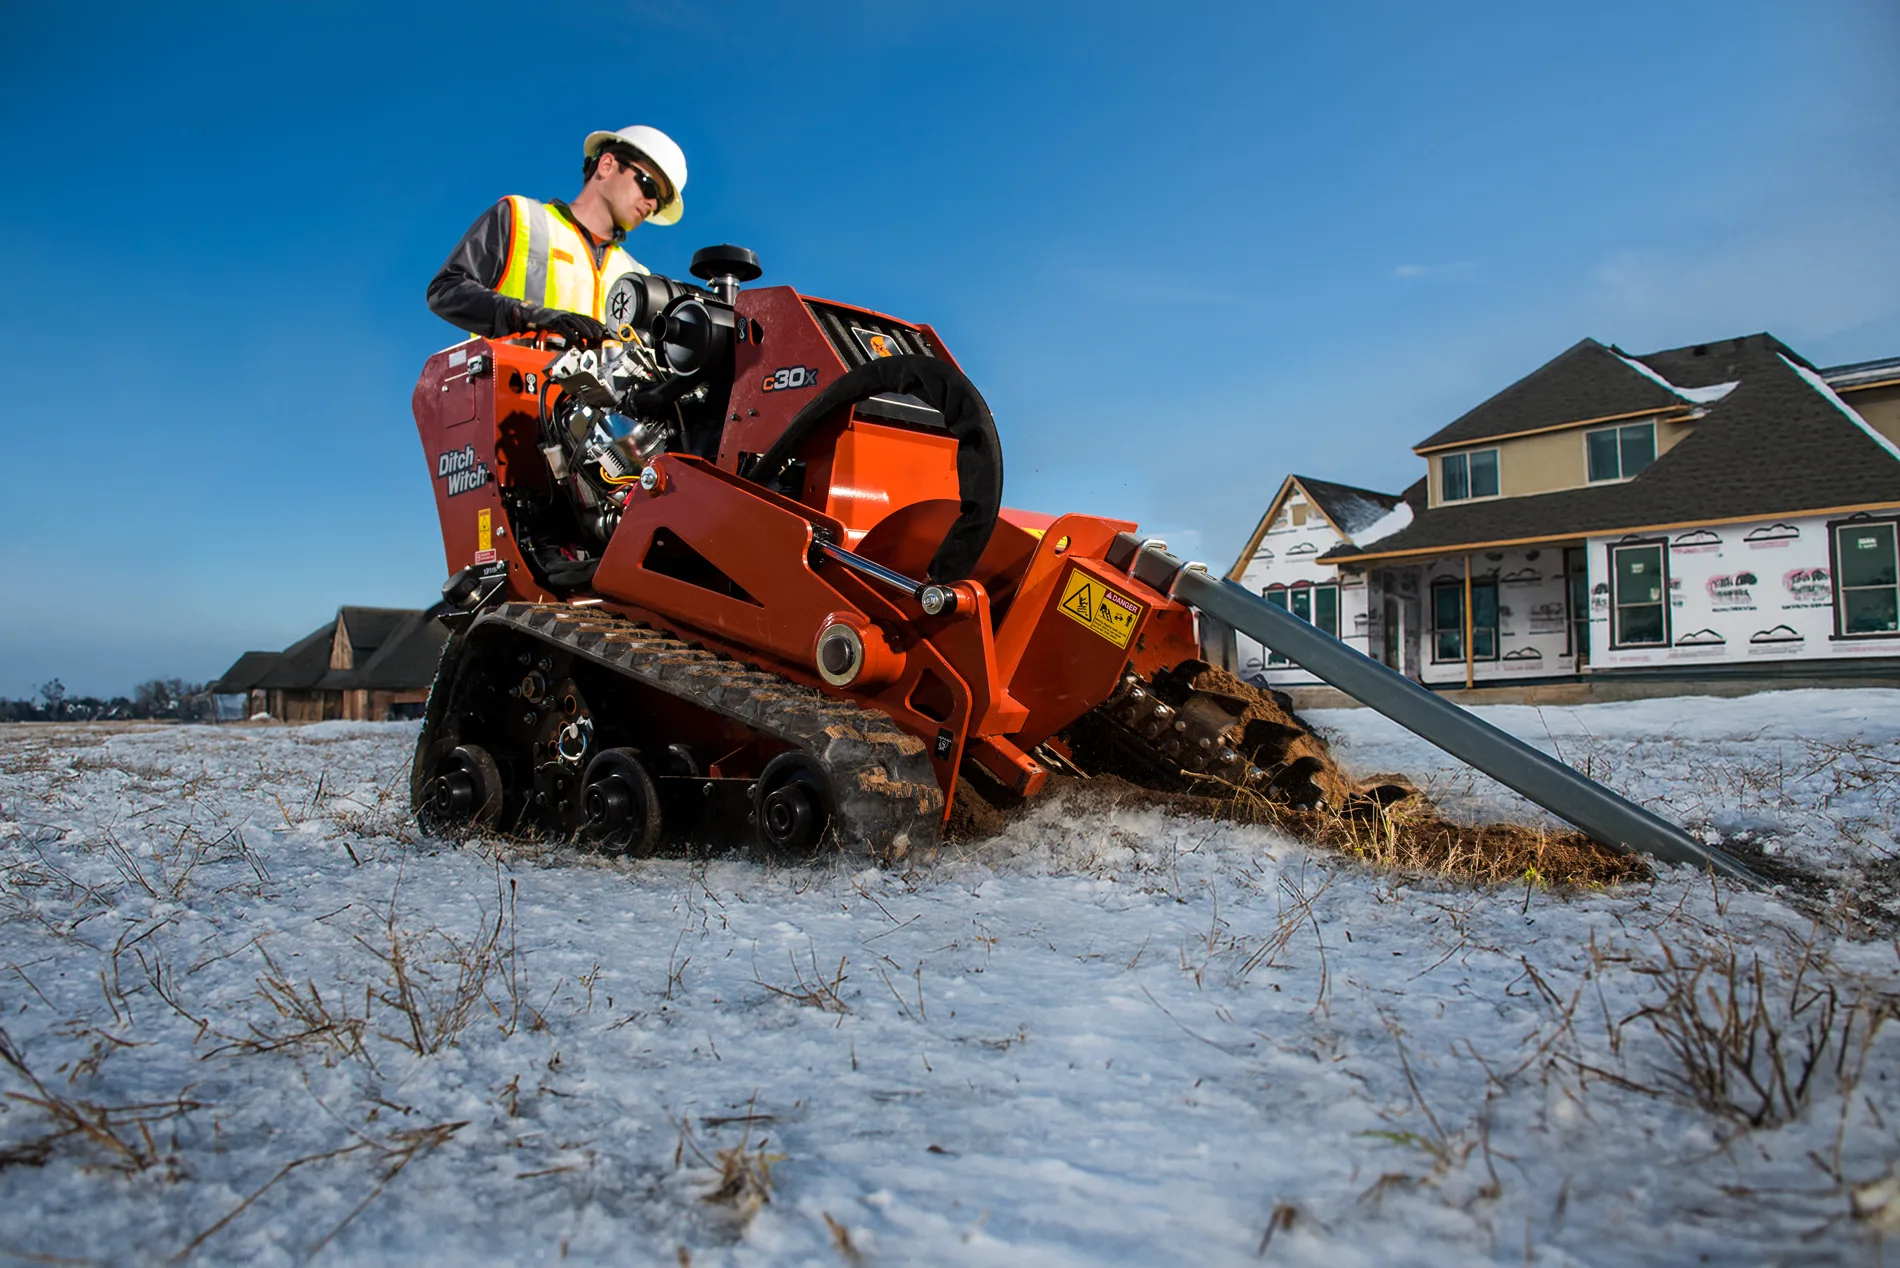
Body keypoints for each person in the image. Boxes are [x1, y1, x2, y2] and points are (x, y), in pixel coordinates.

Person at [426, 125, 687, 346]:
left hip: (596, 407)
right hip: (511, 398)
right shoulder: (522, 218)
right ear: (607, 165)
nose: (652, 203)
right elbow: (446, 290)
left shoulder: (639, 275)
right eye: (648, 185)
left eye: (661, 202)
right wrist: (529, 316)